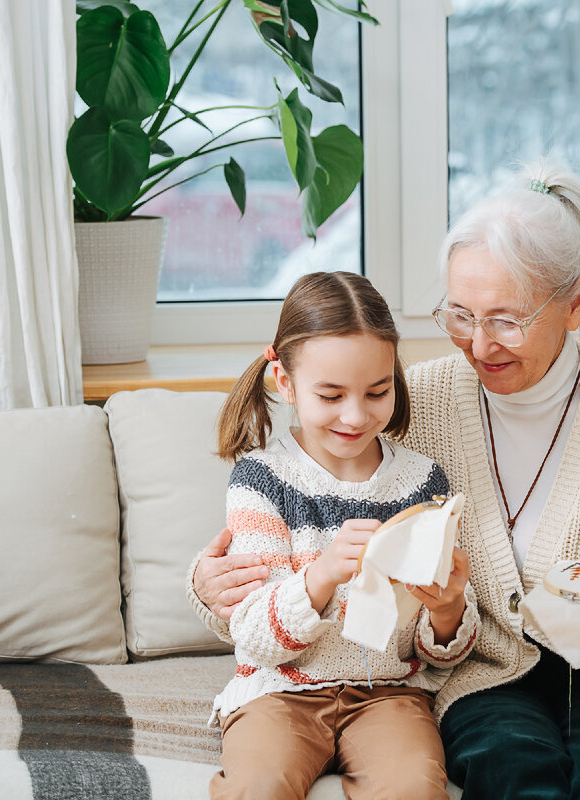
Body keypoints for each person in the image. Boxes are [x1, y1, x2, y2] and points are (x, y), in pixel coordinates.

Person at [191, 163, 580, 800]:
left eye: (507, 320)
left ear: (574, 305)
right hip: (490, 671)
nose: (479, 345)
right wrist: (210, 589)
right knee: (510, 768)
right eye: (460, 315)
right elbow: (289, 559)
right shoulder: (405, 406)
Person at [204, 271, 478, 800]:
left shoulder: (422, 481)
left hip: (388, 695)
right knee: (257, 787)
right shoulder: (262, 480)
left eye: (377, 392)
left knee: (414, 788)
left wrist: (447, 611)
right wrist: (323, 574)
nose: (356, 416)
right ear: (284, 381)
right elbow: (254, 635)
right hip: (279, 692)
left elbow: (441, 654)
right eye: (330, 395)